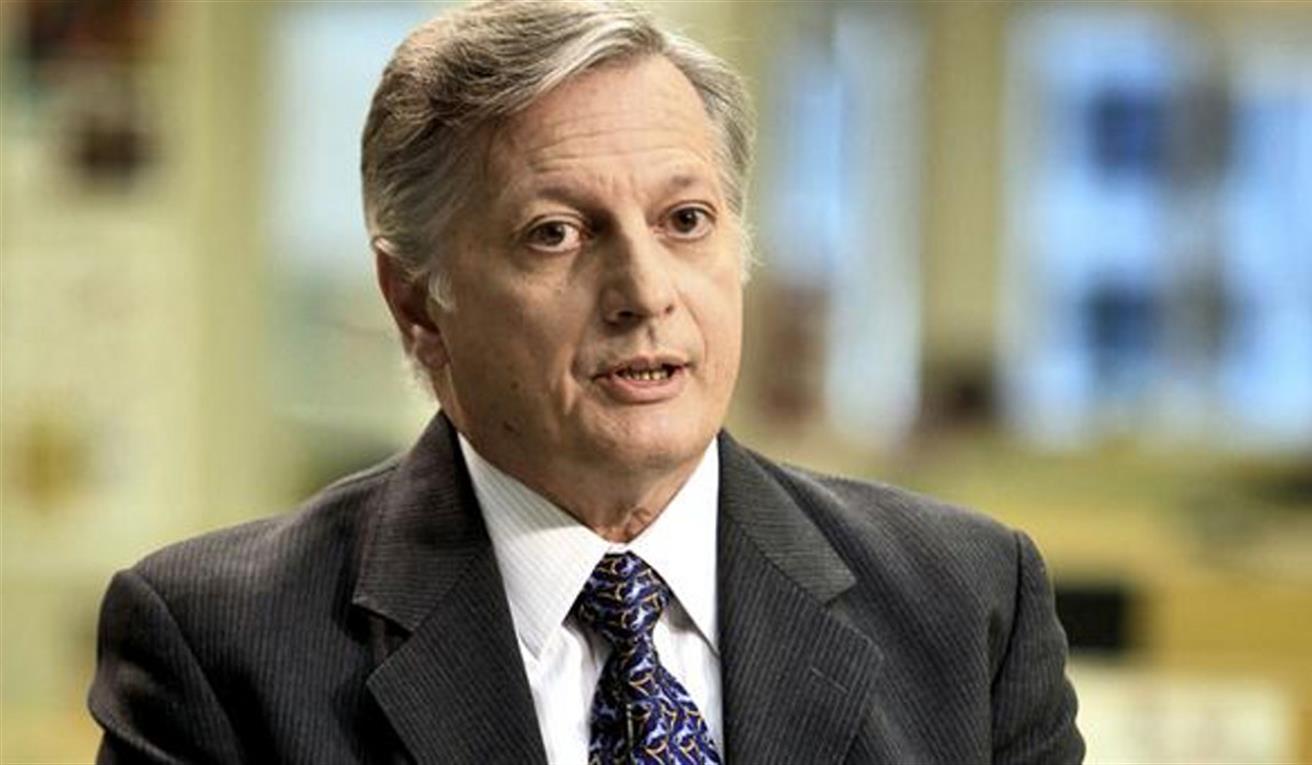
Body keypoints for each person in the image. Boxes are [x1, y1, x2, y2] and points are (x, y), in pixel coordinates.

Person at [87, 2, 1084, 763]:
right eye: (556, 233)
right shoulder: (219, 647)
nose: (644, 292)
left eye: (685, 221)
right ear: (418, 302)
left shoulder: (967, 605)